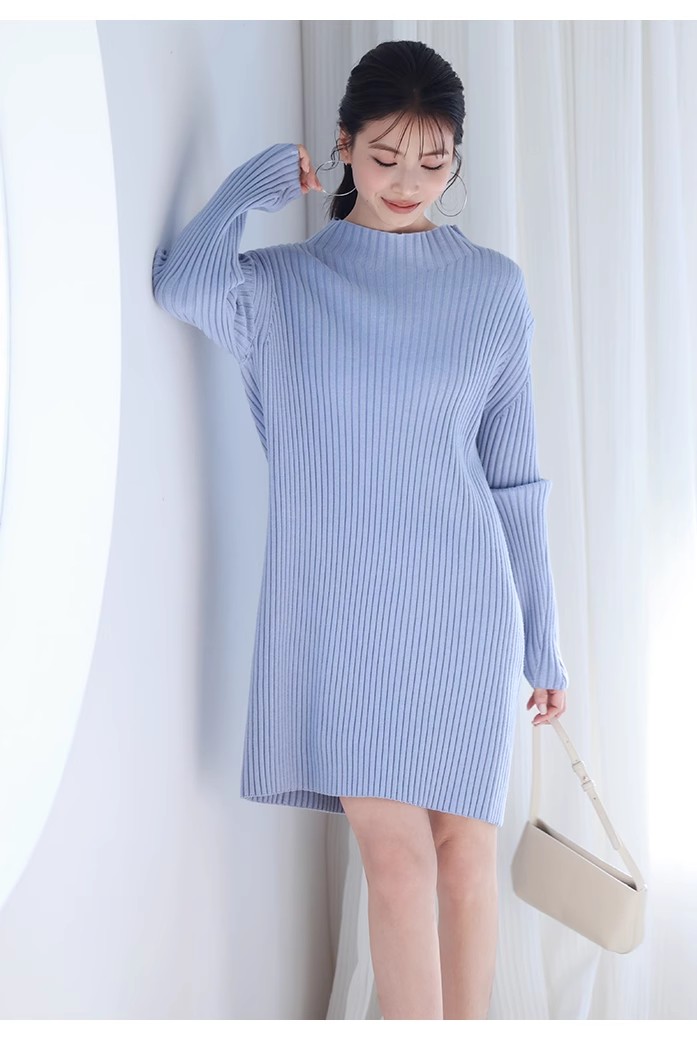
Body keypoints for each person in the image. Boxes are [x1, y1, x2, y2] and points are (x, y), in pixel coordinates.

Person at [153, 38, 569, 1021]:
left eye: (434, 161)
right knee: (397, 859)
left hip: (466, 606)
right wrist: (256, 183)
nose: (408, 181)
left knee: (465, 856)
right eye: (384, 156)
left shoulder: (492, 289)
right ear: (342, 145)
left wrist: (543, 637)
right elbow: (182, 283)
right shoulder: (285, 287)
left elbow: (514, 477)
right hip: (340, 609)